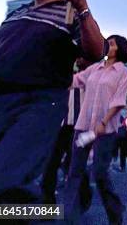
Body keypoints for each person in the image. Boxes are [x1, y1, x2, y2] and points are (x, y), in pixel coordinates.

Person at [0, 0, 104, 205]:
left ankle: (35, 214)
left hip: (37, 104)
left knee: (0, 180)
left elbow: (95, 51)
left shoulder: (69, 14)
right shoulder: (16, 15)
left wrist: (83, 7)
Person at [63, 35, 127, 224]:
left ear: (119, 49)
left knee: (100, 172)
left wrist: (103, 121)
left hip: (105, 130)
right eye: (106, 43)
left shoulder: (123, 72)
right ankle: (69, 215)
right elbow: (76, 81)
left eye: (111, 43)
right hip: (83, 125)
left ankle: (115, 212)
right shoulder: (95, 68)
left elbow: (119, 101)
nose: (107, 46)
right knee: (74, 171)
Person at [41, 58, 89, 206]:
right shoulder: (59, 72)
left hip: (77, 127)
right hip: (59, 125)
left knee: (74, 164)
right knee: (50, 164)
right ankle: (48, 203)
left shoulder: (89, 76)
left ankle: (82, 197)